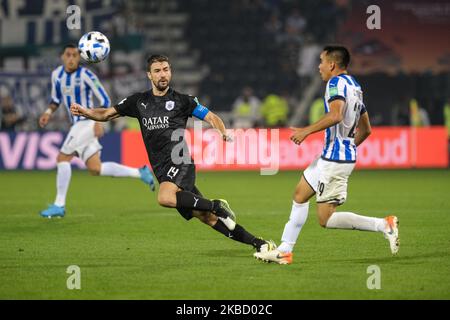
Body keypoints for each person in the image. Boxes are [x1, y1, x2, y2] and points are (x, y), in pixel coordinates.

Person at [70, 54, 275, 253]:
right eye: (157, 71)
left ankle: (217, 204)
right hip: (161, 168)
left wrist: (221, 131)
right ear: (149, 75)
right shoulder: (138, 102)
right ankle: (258, 242)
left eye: (166, 70)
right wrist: (86, 111)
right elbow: (106, 114)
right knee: (208, 218)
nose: (162, 75)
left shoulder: (183, 101)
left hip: (180, 160)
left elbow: (211, 116)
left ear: (171, 73)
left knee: (165, 197)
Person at [254, 46, 399, 264]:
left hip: (334, 161)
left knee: (325, 219)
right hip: (330, 157)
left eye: (321, 61)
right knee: (300, 195)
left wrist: (306, 131)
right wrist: (348, 148)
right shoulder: (355, 86)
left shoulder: (335, 83)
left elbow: (336, 115)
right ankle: (284, 250)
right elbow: (366, 129)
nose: (318, 66)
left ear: (332, 64)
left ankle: (383, 225)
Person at [38, 44, 155, 218]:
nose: (71, 58)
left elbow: (104, 98)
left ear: (80, 57)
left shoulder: (86, 75)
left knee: (63, 158)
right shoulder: (57, 75)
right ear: (62, 56)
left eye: (75, 55)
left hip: (86, 122)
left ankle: (59, 205)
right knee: (95, 168)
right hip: (77, 125)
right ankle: (140, 172)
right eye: (68, 55)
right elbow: (55, 99)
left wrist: (97, 121)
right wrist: (47, 113)